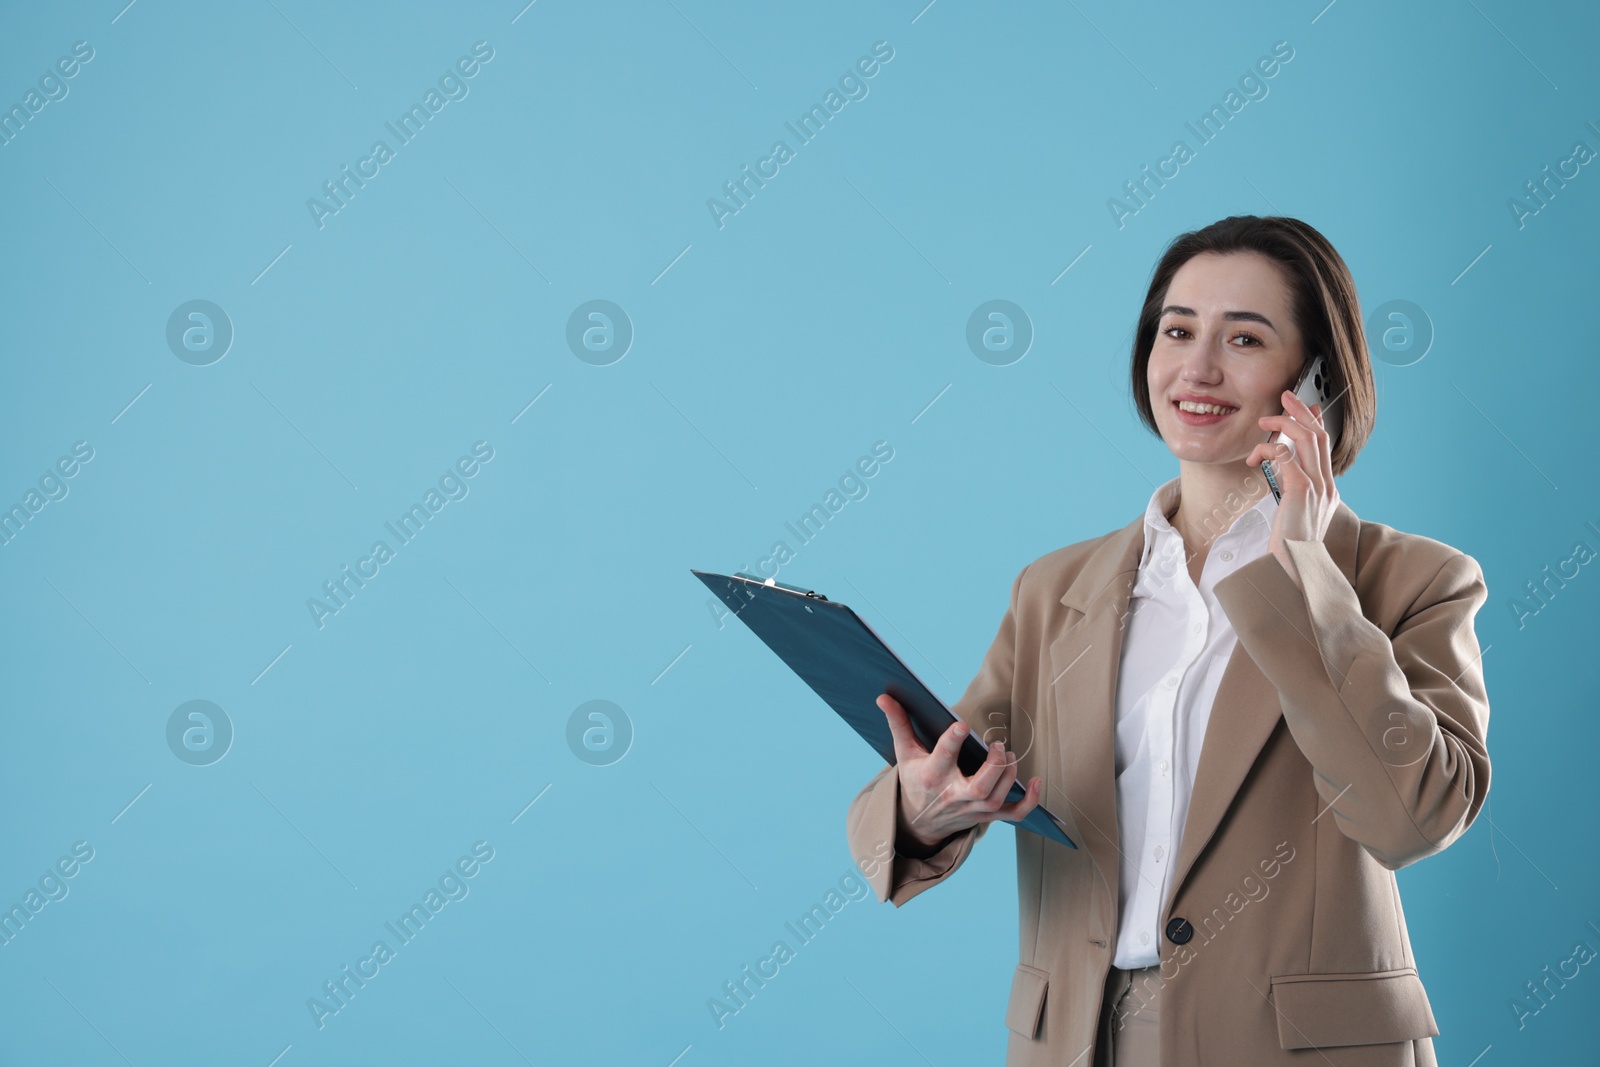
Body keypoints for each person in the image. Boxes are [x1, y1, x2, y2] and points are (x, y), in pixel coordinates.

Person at [845, 215, 1490, 1067]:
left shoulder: (1412, 580)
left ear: (1317, 381)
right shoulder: (1055, 591)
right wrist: (923, 811)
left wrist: (1305, 568)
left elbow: (1413, 817)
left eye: (1246, 338)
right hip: (1078, 1038)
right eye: (1177, 330)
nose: (1197, 367)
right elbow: (948, 767)